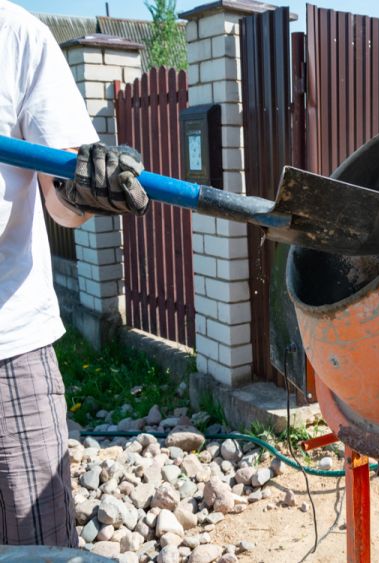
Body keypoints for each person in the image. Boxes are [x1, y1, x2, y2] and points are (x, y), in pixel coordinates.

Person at [0, 0, 148, 547]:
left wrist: (85, 187)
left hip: (9, 343)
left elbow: (60, 194)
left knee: (38, 543)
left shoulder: (16, 37)